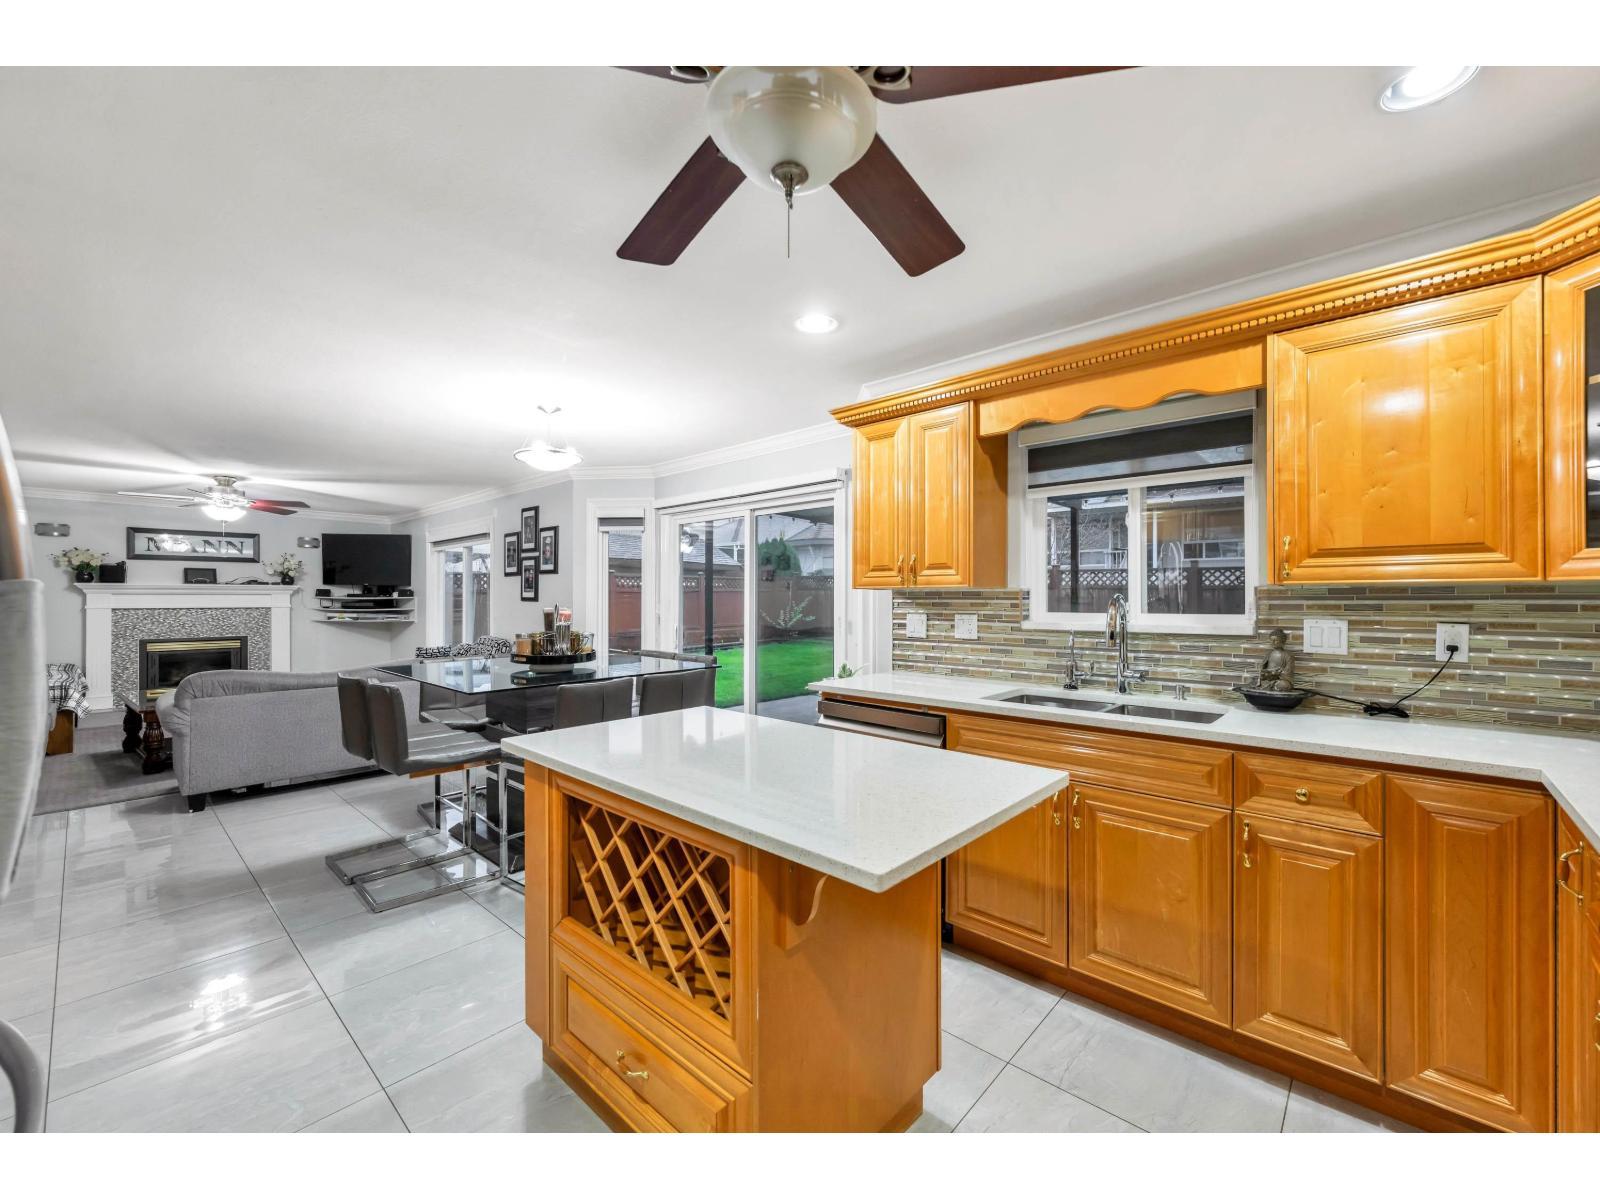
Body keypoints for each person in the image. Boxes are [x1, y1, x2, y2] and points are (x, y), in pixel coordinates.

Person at [1258, 627, 1296, 692]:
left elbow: (1288, 671)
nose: (1273, 642)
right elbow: (1263, 667)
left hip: (1280, 680)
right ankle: (1269, 686)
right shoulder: (1269, 653)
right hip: (1268, 679)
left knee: (1284, 685)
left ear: (1282, 641)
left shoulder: (1288, 655)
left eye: (1276, 640)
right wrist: (1265, 673)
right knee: (1254, 679)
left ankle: (1271, 686)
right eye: (1271, 640)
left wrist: (1277, 673)